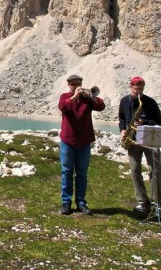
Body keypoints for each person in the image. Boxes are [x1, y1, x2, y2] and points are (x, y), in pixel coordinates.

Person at [58, 74, 105, 215]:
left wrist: (92, 97)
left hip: (84, 141)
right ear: (69, 85)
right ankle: (66, 202)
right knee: (66, 172)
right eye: (73, 84)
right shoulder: (65, 97)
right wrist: (74, 97)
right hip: (68, 140)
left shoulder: (87, 99)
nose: (76, 86)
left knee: (82, 173)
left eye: (78, 84)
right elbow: (62, 107)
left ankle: (81, 203)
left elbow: (101, 106)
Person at [118, 76, 161, 213]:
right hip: (132, 140)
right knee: (135, 170)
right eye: (136, 89)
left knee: (154, 171)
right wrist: (122, 130)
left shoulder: (150, 102)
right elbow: (121, 118)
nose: (138, 92)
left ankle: (157, 203)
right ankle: (142, 201)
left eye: (141, 89)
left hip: (150, 140)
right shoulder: (124, 101)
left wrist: (144, 122)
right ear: (131, 87)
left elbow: (159, 123)